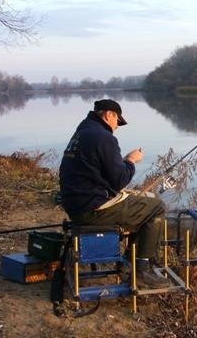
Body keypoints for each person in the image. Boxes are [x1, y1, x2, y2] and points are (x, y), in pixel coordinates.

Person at [59, 99, 169, 288]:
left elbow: (102, 174)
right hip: (92, 208)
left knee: (144, 202)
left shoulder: (82, 133)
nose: (117, 127)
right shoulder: (103, 137)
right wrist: (131, 161)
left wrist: (123, 163)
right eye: (117, 121)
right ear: (109, 114)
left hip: (76, 204)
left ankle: (131, 259)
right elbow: (119, 180)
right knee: (157, 207)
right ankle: (142, 268)